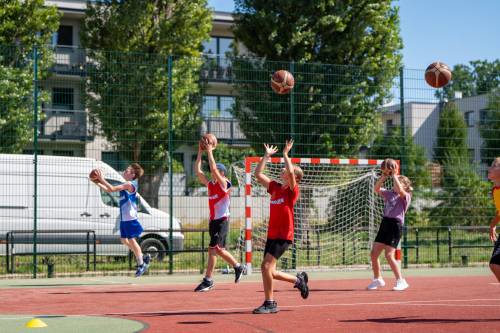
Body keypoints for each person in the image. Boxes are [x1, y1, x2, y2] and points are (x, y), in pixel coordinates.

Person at [253, 140, 309, 315]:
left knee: (265, 267)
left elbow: (291, 171)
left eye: (285, 170)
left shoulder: (292, 191)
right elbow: (257, 174)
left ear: (294, 178)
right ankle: (298, 280)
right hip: (272, 234)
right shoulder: (275, 187)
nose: (283, 170)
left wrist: (285, 154)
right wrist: (266, 156)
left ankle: (270, 303)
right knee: (271, 271)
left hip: (284, 235)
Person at [194, 138, 245, 292]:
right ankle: (238, 266)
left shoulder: (225, 184)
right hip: (213, 221)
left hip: (222, 220)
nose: (213, 172)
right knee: (219, 250)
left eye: (217, 171)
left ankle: (208, 280)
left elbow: (214, 169)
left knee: (213, 248)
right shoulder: (211, 185)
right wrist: (199, 151)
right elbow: (198, 171)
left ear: (223, 173)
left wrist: (209, 150)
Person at [92, 163, 151, 277]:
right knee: (124, 240)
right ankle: (143, 257)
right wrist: (97, 182)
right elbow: (109, 190)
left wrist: (101, 178)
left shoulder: (129, 185)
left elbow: (112, 188)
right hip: (125, 219)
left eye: (127, 170)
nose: (125, 171)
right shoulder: (125, 184)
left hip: (130, 218)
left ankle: (141, 264)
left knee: (132, 240)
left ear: (133, 174)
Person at [367, 159, 412, 291]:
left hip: (395, 225)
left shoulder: (406, 196)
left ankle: (401, 281)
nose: (395, 183)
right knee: (374, 253)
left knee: (388, 255)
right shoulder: (390, 193)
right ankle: (378, 279)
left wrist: (395, 175)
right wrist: (384, 176)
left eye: (398, 182)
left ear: (404, 186)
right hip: (385, 223)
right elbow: (376, 189)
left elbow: (400, 190)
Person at [487, 157, 500, 282]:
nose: (489, 168)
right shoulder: (495, 191)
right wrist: (493, 225)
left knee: (495, 264)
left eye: (493, 165)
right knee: (495, 264)